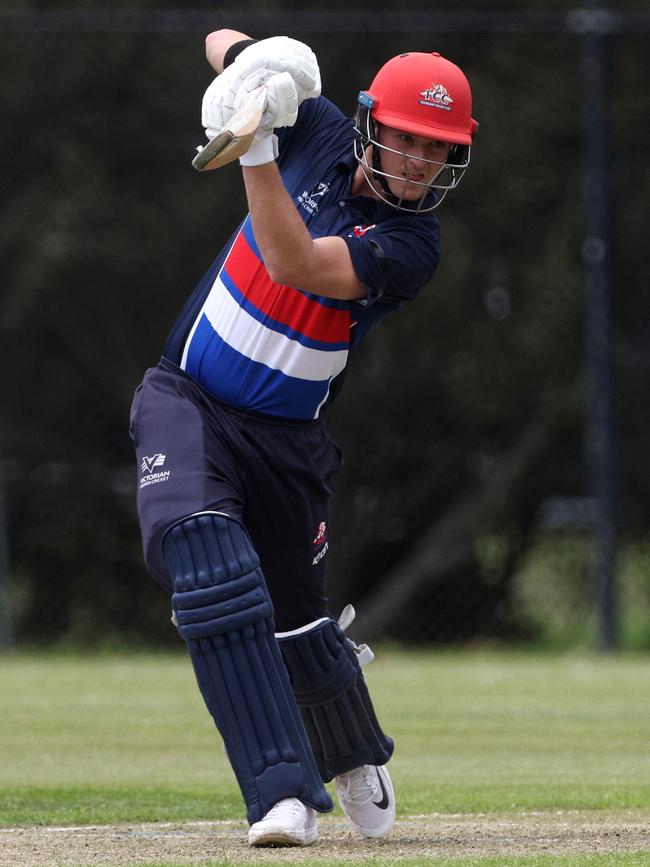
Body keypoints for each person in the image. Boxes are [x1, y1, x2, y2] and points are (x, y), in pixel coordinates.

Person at [129, 29, 477, 848]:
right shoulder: (316, 125)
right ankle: (280, 794)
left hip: (287, 439)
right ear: (370, 124)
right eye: (409, 139)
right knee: (212, 572)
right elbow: (218, 39)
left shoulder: (413, 244)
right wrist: (258, 75)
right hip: (188, 400)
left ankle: (353, 750)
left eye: (440, 149)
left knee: (296, 624)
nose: (421, 161)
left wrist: (252, 150)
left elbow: (292, 263)